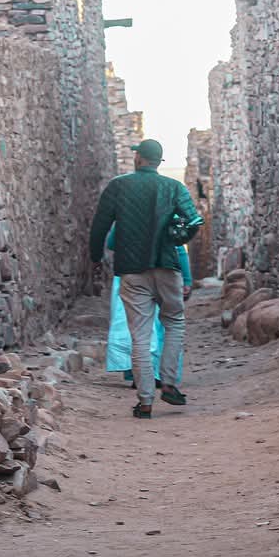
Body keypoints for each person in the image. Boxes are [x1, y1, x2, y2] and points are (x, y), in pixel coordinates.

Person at [88, 138, 202, 419]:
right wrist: (178, 237)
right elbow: (194, 221)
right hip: (167, 266)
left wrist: (95, 258)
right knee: (174, 323)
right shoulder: (174, 187)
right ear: (159, 161)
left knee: (139, 334)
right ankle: (170, 384)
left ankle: (145, 401)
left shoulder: (118, 186)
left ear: (139, 158)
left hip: (132, 269)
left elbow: (100, 225)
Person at [104, 223, 191, 388]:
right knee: (162, 326)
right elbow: (179, 248)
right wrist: (186, 279)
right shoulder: (170, 213)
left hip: (132, 273)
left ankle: (140, 375)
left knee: (137, 327)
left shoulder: (126, 213)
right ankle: (160, 375)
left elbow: (112, 243)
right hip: (164, 272)